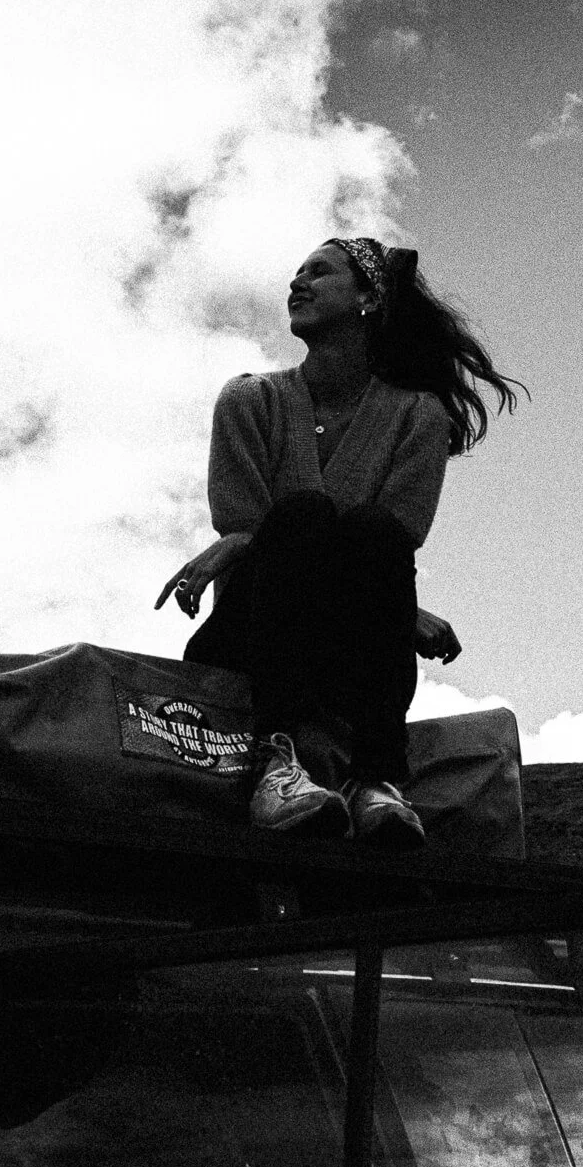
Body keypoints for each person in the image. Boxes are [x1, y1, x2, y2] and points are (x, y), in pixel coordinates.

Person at [155, 237, 524, 848]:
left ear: (367, 298)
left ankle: (377, 781)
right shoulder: (252, 399)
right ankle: (274, 763)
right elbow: (248, 527)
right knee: (303, 513)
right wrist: (237, 543)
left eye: (319, 273)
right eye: (296, 272)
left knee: (373, 531)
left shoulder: (416, 417)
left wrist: (402, 612)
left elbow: (388, 547)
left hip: (347, 654)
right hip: (254, 639)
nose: (297, 282)